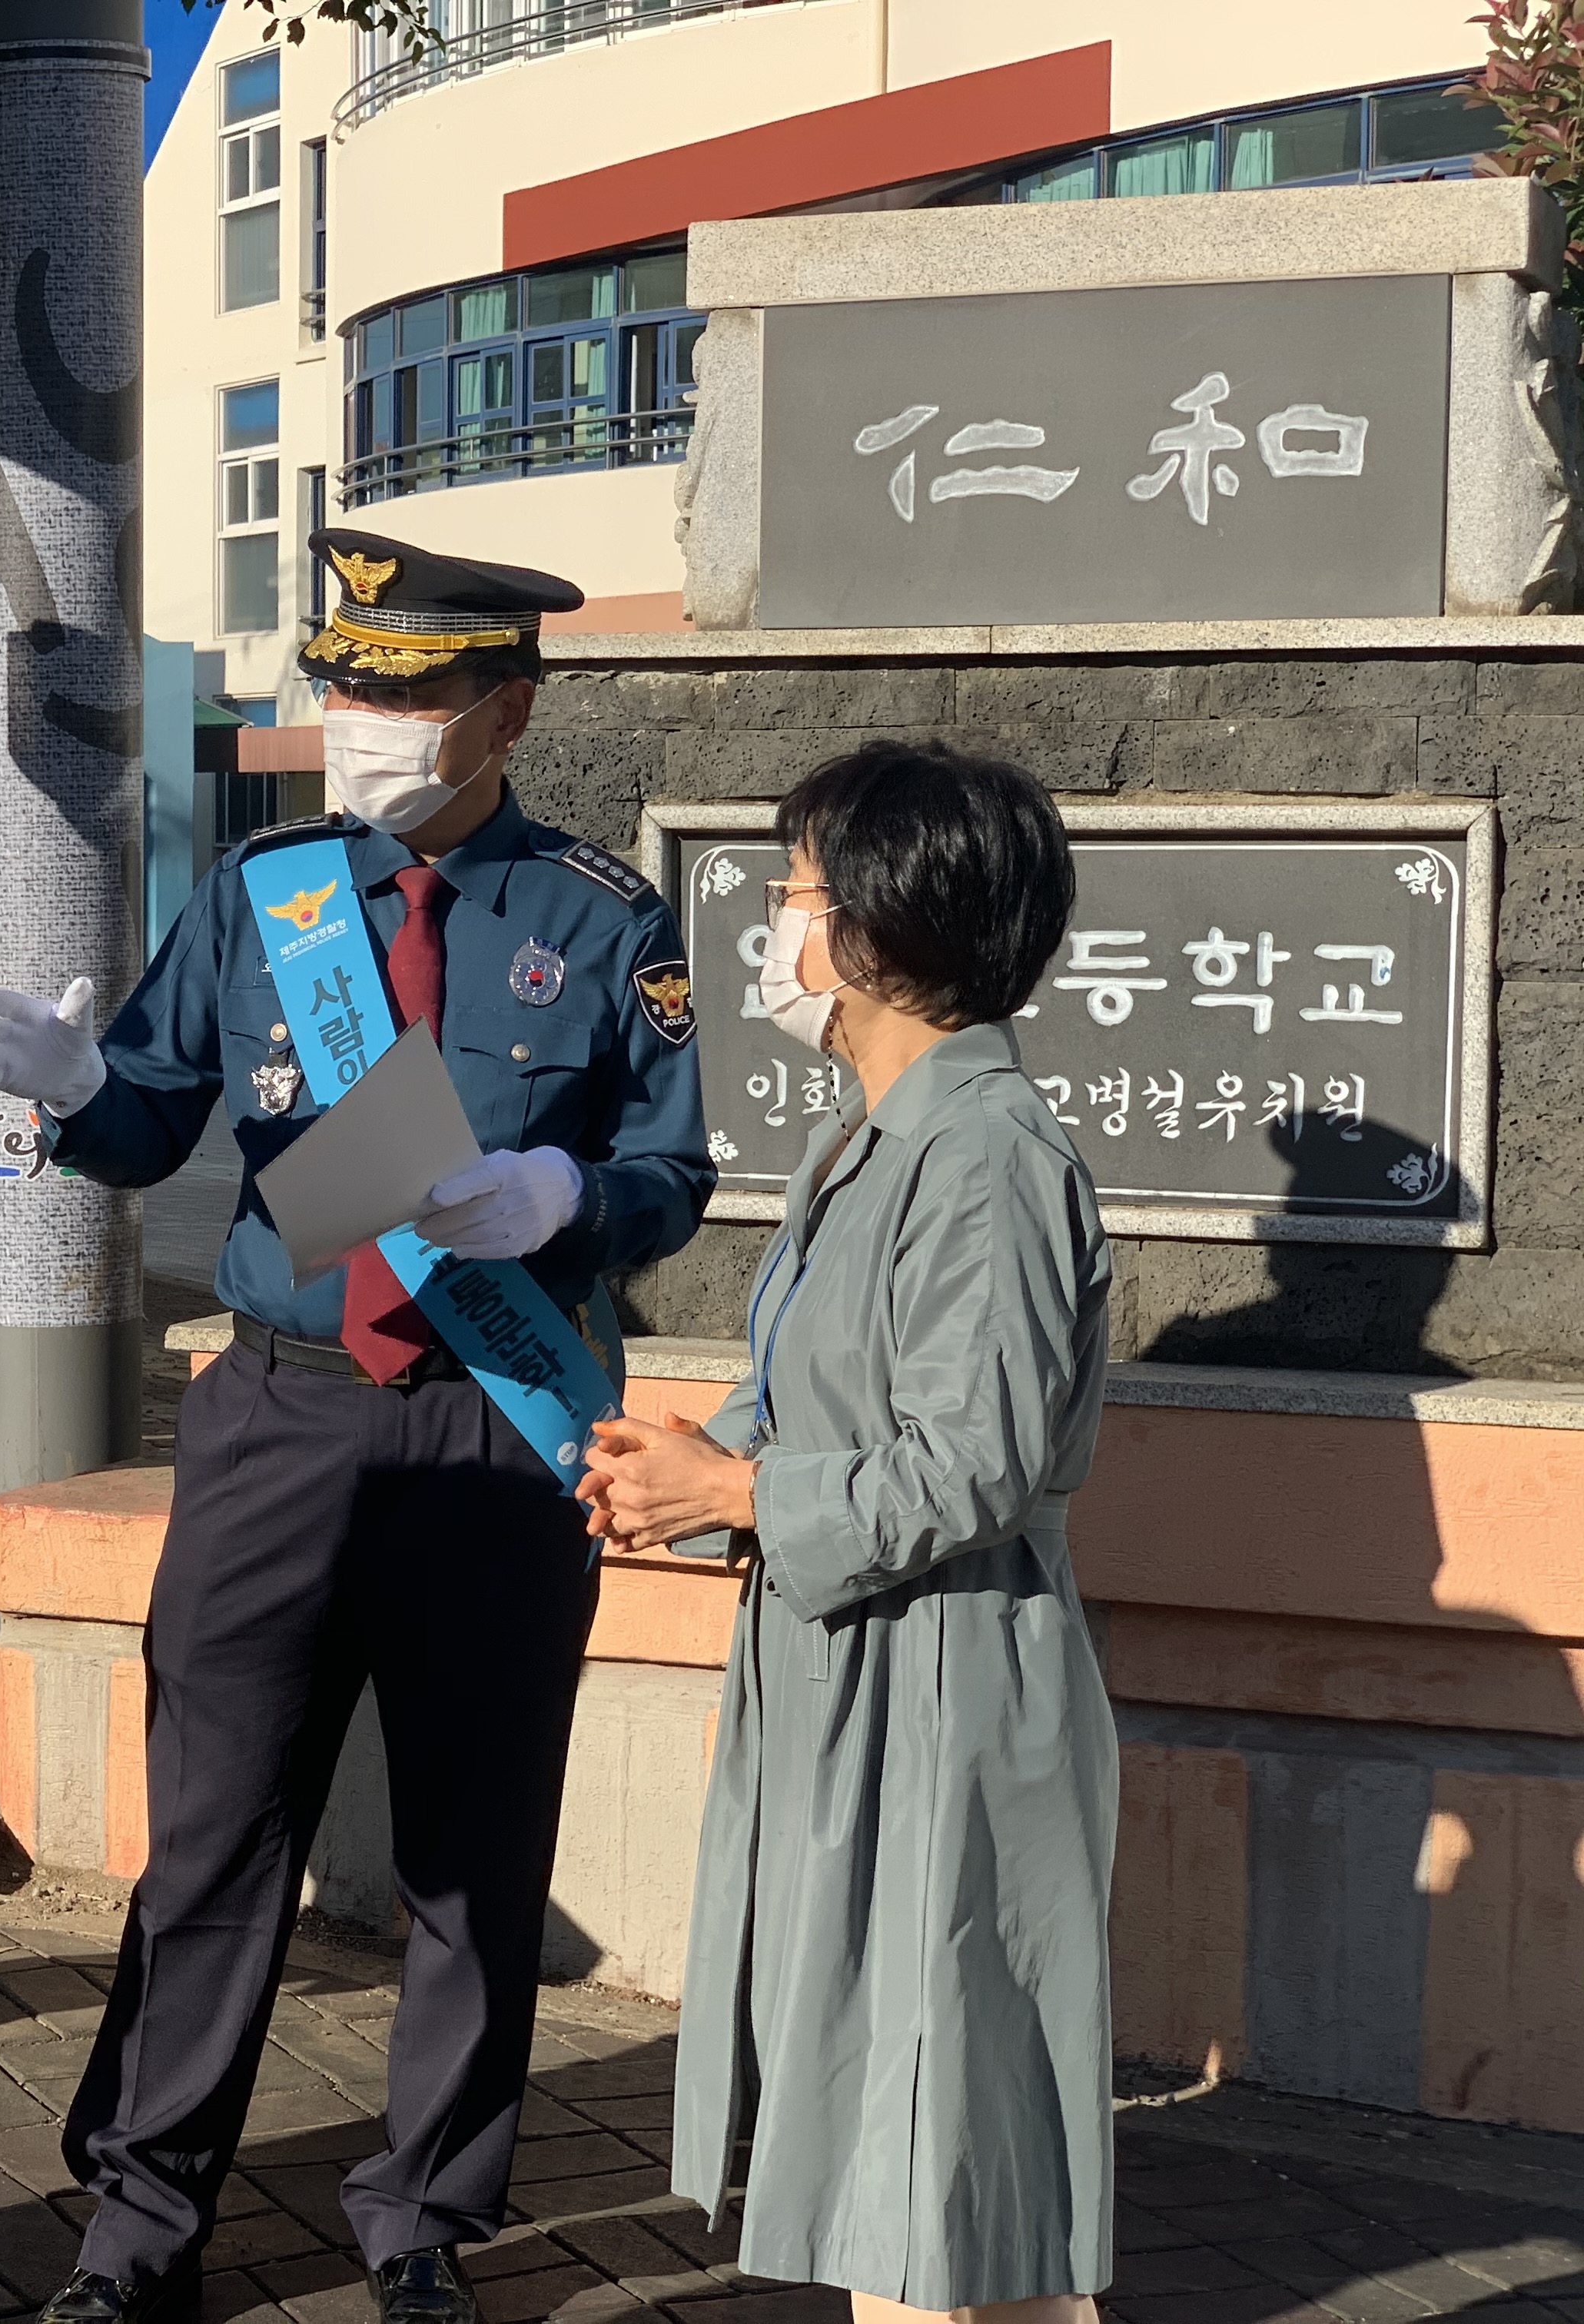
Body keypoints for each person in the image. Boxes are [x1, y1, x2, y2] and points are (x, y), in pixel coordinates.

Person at [0, 530, 714, 2324]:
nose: (357, 721)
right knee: (215, 1831)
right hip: (282, 1419)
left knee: (474, 1838)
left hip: (496, 1427)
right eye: (344, 685)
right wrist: (71, 1098)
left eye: (402, 692)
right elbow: (152, 1120)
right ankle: (139, 2223)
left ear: (504, 710)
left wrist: (565, 1199)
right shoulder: (267, 893)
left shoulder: (607, 921)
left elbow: (672, 1171)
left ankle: (424, 2217)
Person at [577, 739, 1116, 2322]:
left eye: (800, 893)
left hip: (943, 1691)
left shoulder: (992, 1157)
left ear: (892, 925)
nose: (778, 927)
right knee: (897, 2127)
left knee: (939, 2141)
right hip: (854, 1673)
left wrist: (736, 1495)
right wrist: (688, 1455)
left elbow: (977, 1461)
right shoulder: (876, 1139)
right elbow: (825, 1392)